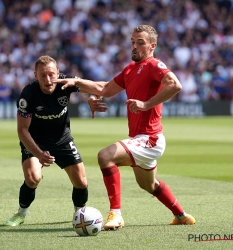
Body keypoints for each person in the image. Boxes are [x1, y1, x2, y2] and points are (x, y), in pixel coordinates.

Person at [54, 25, 196, 230]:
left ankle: (116, 214)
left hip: (150, 138)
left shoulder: (154, 65)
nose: (134, 46)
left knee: (105, 156)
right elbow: (104, 88)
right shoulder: (130, 69)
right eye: (132, 42)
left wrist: (147, 104)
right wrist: (77, 84)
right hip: (141, 138)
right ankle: (181, 215)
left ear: (152, 46)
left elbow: (174, 85)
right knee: (149, 185)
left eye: (140, 42)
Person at [5, 55, 98, 226]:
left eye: (51, 74)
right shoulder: (28, 95)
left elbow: (92, 86)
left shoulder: (65, 83)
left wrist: (92, 98)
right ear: (36, 75)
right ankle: (21, 213)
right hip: (35, 140)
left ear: (58, 73)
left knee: (81, 181)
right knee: (33, 178)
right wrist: (39, 153)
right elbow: (22, 129)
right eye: (43, 75)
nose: (48, 80)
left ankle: (80, 215)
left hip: (62, 138)